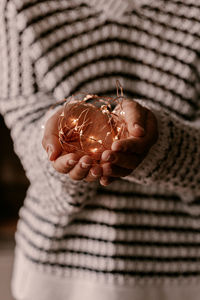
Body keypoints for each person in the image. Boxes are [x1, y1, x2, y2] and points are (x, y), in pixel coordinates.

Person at [0, 0, 200, 299]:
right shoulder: (19, 6)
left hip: (182, 276)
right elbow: (27, 132)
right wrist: (59, 145)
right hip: (61, 275)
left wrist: (157, 141)